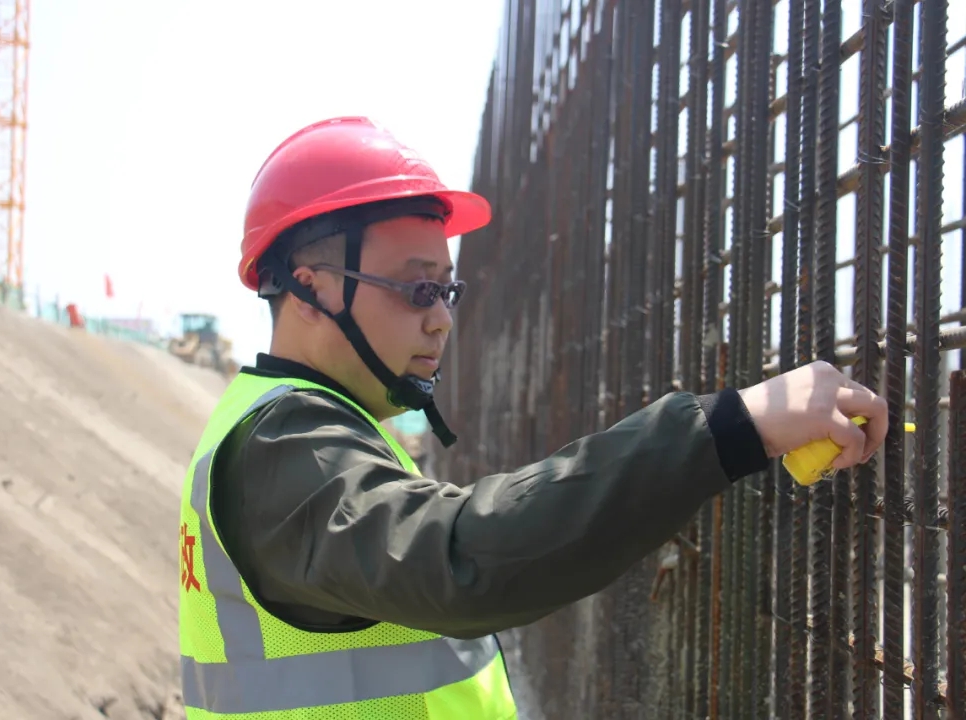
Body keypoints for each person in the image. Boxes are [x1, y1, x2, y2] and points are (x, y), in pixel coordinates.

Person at [177, 116, 889, 718]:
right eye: (418, 288)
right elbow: (457, 561)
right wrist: (736, 426)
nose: (442, 320)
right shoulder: (280, 445)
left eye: (447, 289)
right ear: (311, 290)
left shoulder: (306, 428)